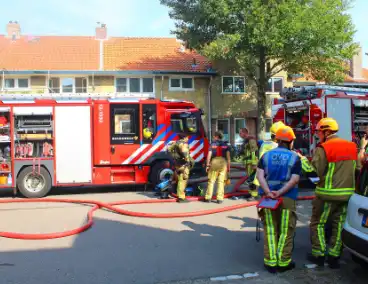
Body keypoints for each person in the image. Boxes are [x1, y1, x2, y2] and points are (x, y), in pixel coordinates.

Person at [307, 118, 357, 269]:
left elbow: (315, 174)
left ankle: (319, 254)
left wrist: (303, 163)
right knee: (339, 224)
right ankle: (334, 257)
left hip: (327, 195)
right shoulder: (352, 146)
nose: (317, 135)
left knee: (318, 224)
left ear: (326, 131)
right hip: (347, 195)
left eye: (318, 131)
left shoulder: (324, 148)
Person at [256, 126, 301, 273]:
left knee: (270, 229)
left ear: (278, 140)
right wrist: (280, 192)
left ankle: (270, 263)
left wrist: (269, 192)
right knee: (286, 231)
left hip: (268, 199)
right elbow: (294, 180)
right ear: (290, 141)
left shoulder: (266, 156)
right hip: (287, 198)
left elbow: (259, 176)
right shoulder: (295, 157)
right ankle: (283, 262)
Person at [253, 121, 285, 197]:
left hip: (263, 176)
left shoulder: (264, 144)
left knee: (265, 201)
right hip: (276, 178)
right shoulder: (279, 146)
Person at [167, 133, 195, 203]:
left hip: (177, 164)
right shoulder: (183, 144)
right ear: (184, 137)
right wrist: (188, 162)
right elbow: (185, 154)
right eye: (187, 137)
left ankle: (179, 195)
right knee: (183, 180)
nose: (188, 139)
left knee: (180, 179)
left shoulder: (175, 143)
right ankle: (181, 198)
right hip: (183, 165)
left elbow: (168, 150)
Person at [205, 131, 231, 204]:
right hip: (223, 162)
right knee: (221, 181)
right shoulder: (226, 144)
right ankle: (219, 199)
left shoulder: (212, 144)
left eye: (214, 136)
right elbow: (228, 157)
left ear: (216, 136)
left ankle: (208, 197)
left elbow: (209, 155)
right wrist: (228, 167)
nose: (213, 137)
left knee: (211, 181)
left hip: (214, 162)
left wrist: (207, 165)